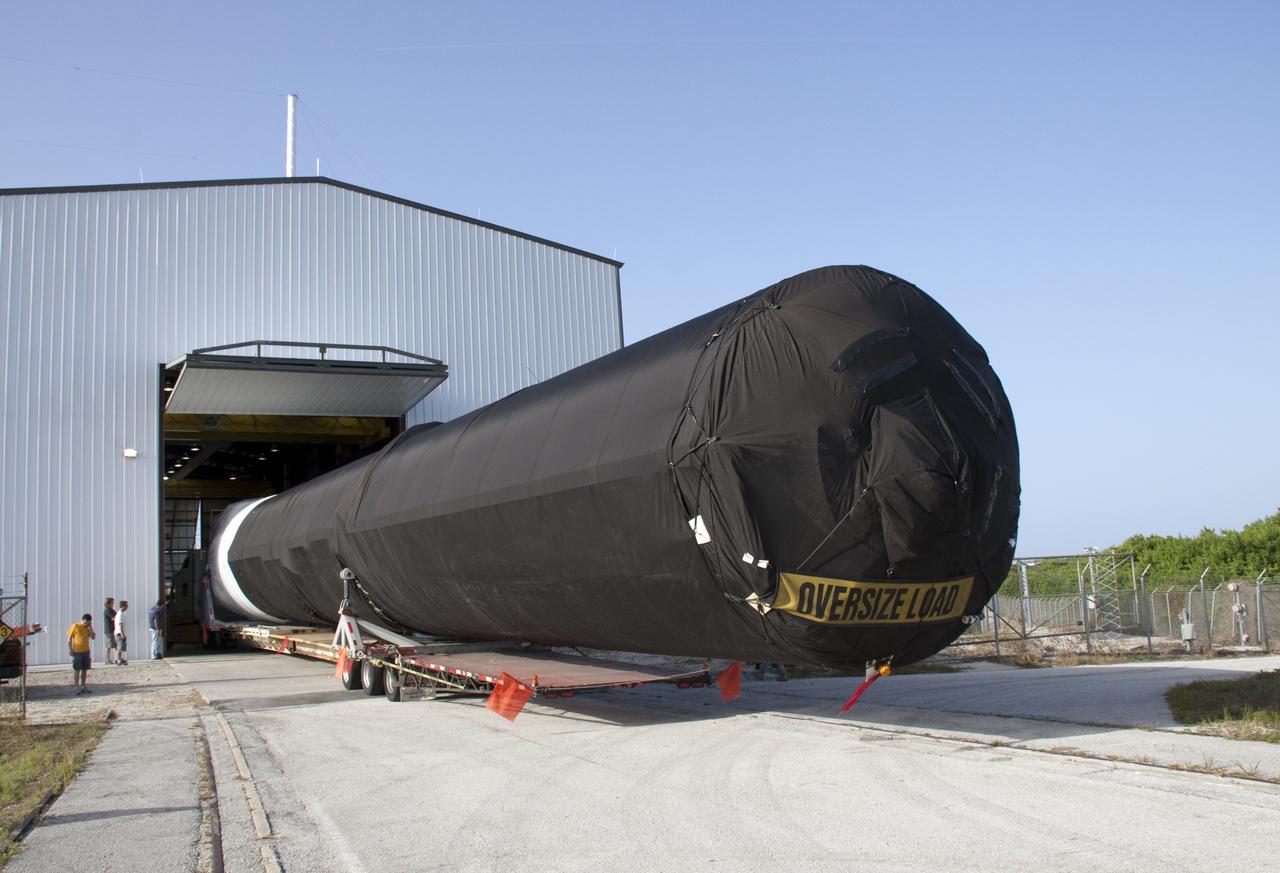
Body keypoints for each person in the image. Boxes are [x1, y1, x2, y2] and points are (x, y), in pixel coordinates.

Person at [67, 613, 95, 694]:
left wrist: (90, 627)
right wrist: (70, 649)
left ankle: (83, 685)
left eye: (89, 622)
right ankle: (76, 686)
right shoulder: (75, 626)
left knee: (84, 669)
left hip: (86, 651)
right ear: (83, 620)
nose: (87, 624)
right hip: (77, 651)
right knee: (77, 669)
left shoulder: (88, 628)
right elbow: (69, 638)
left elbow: (93, 637)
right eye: (86, 622)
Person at [113, 600, 129, 665]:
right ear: (122, 606)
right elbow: (120, 624)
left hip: (119, 632)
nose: (127, 607)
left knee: (120, 647)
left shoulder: (121, 613)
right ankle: (118, 659)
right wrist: (122, 634)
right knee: (120, 647)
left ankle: (119, 658)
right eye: (126, 605)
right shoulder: (120, 614)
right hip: (119, 633)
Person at [103, 597, 117, 664]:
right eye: (112, 602)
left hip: (112, 629)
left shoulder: (111, 609)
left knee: (111, 644)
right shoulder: (107, 610)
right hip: (109, 629)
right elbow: (113, 618)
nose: (113, 604)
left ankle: (113, 658)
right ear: (108, 603)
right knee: (110, 645)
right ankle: (108, 659)